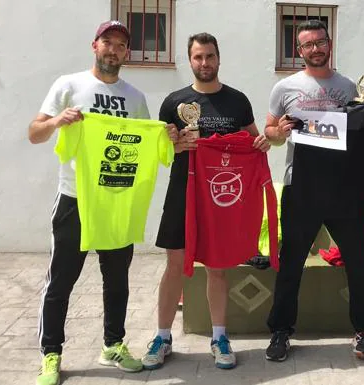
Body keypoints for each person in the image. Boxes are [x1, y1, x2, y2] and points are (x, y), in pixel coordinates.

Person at [28, 20, 160, 385]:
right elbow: (34, 133)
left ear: (127, 53)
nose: (113, 49)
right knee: (61, 283)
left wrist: (170, 141)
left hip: (117, 202)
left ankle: (113, 345)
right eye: (107, 42)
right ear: (94, 45)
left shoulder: (135, 98)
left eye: (120, 45)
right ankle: (51, 354)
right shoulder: (69, 85)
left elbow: (144, 144)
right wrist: (57, 120)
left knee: (117, 282)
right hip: (74, 199)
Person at [142, 32, 270, 371]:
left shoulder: (237, 100)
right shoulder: (173, 102)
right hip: (182, 193)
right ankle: (162, 336)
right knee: (174, 267)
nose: (204, 63)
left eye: (209, 56)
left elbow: (251, 139)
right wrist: (175, 145)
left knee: (217, 268)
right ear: (190, 60)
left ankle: (219, 336)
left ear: (218, 58)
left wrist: (262, 144)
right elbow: (160, 149)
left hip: (220, 198)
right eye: (198, 57)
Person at [264, 20, 364, 362]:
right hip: (301, 187)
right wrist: (280, 131)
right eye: (307, 45)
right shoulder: (284, 88)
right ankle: (281, 332)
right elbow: (269, 131)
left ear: (329, 44)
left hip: (346, 188)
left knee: (359, 263)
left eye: (320, 42)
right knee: (291, 264)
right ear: (299, 51)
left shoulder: (350, 88)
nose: (315, 49)